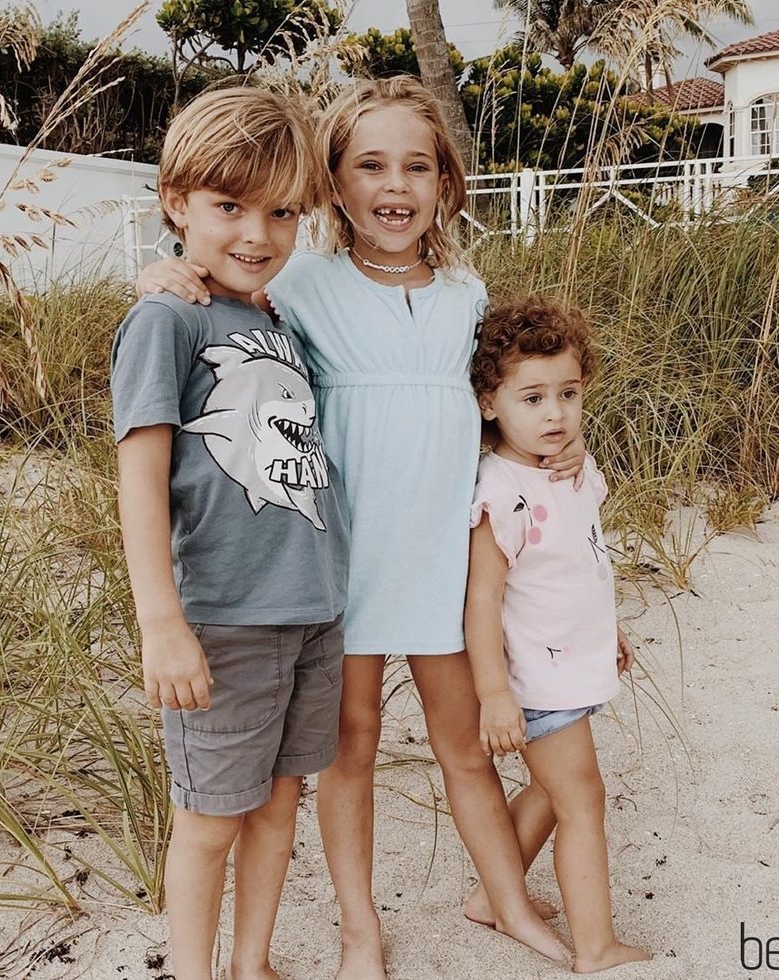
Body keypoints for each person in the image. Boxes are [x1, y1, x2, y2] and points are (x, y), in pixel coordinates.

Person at [137, 77, 584, 979]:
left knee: (463, 745)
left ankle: (507, 901)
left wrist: (556, 455)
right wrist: (159, 269)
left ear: (446, 183)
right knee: (351, 747)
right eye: (369, 165)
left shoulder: (465, 292)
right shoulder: (299, 279)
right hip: (339, 563)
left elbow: (504, 406)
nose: (395, 186)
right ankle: (358, 929)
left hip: (443, 562)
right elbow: (216, 303)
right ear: (332, 185)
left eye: (418, 166)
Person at [112, 86, 349, 980]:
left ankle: (252, 963)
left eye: (282, 212)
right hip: (225, 618)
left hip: (311, 611)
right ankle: (193, 970)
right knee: (211, 818)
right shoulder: (165, 318)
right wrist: (161, 623)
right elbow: (140, 476)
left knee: (280, 806)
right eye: (229, 207)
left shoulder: (278, 322)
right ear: (176, 203)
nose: (257, 233)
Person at [465, 295, 653, 974]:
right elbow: (482, 599)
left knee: (552, 791)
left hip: (577, 658)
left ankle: (494, 895)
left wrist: (611, 628)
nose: (554, 414)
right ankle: (596, 946)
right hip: (535, 678)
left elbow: (581, 558)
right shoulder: (499, 488)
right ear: (491, 403)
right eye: (533, 397)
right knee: (582, 801)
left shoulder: (573, 467)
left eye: (568, 394)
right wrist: (492, 693)